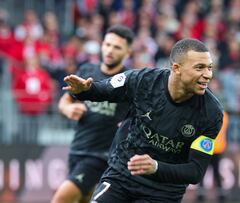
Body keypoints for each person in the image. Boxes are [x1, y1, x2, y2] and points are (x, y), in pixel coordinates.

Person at [62, 38, 224, 203]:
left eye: (209, 67)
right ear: (176, 68)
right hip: (122, 176)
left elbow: (195, 171)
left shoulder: (211, 113)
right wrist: (83, 91)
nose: (208, 74)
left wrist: (155, 167)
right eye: (200, 68)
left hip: (163, 192)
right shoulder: (144, 81)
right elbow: (102, 89)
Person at [51, 25, 135, 203]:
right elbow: (64, 101)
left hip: (101, 155)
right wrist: (68, 109)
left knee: (61, 199)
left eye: (117, 47)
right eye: (107, 44)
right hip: (77, 148)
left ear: (128, 52)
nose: (110, 50)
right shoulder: (87, 70)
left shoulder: (129, 80)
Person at [197, 111, 229, 203]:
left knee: (202, 171)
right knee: (216, 172)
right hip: (217, 148)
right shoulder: (225, 116)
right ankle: (220, 194)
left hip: (207, 147)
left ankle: (201, 194)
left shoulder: (209, 113)